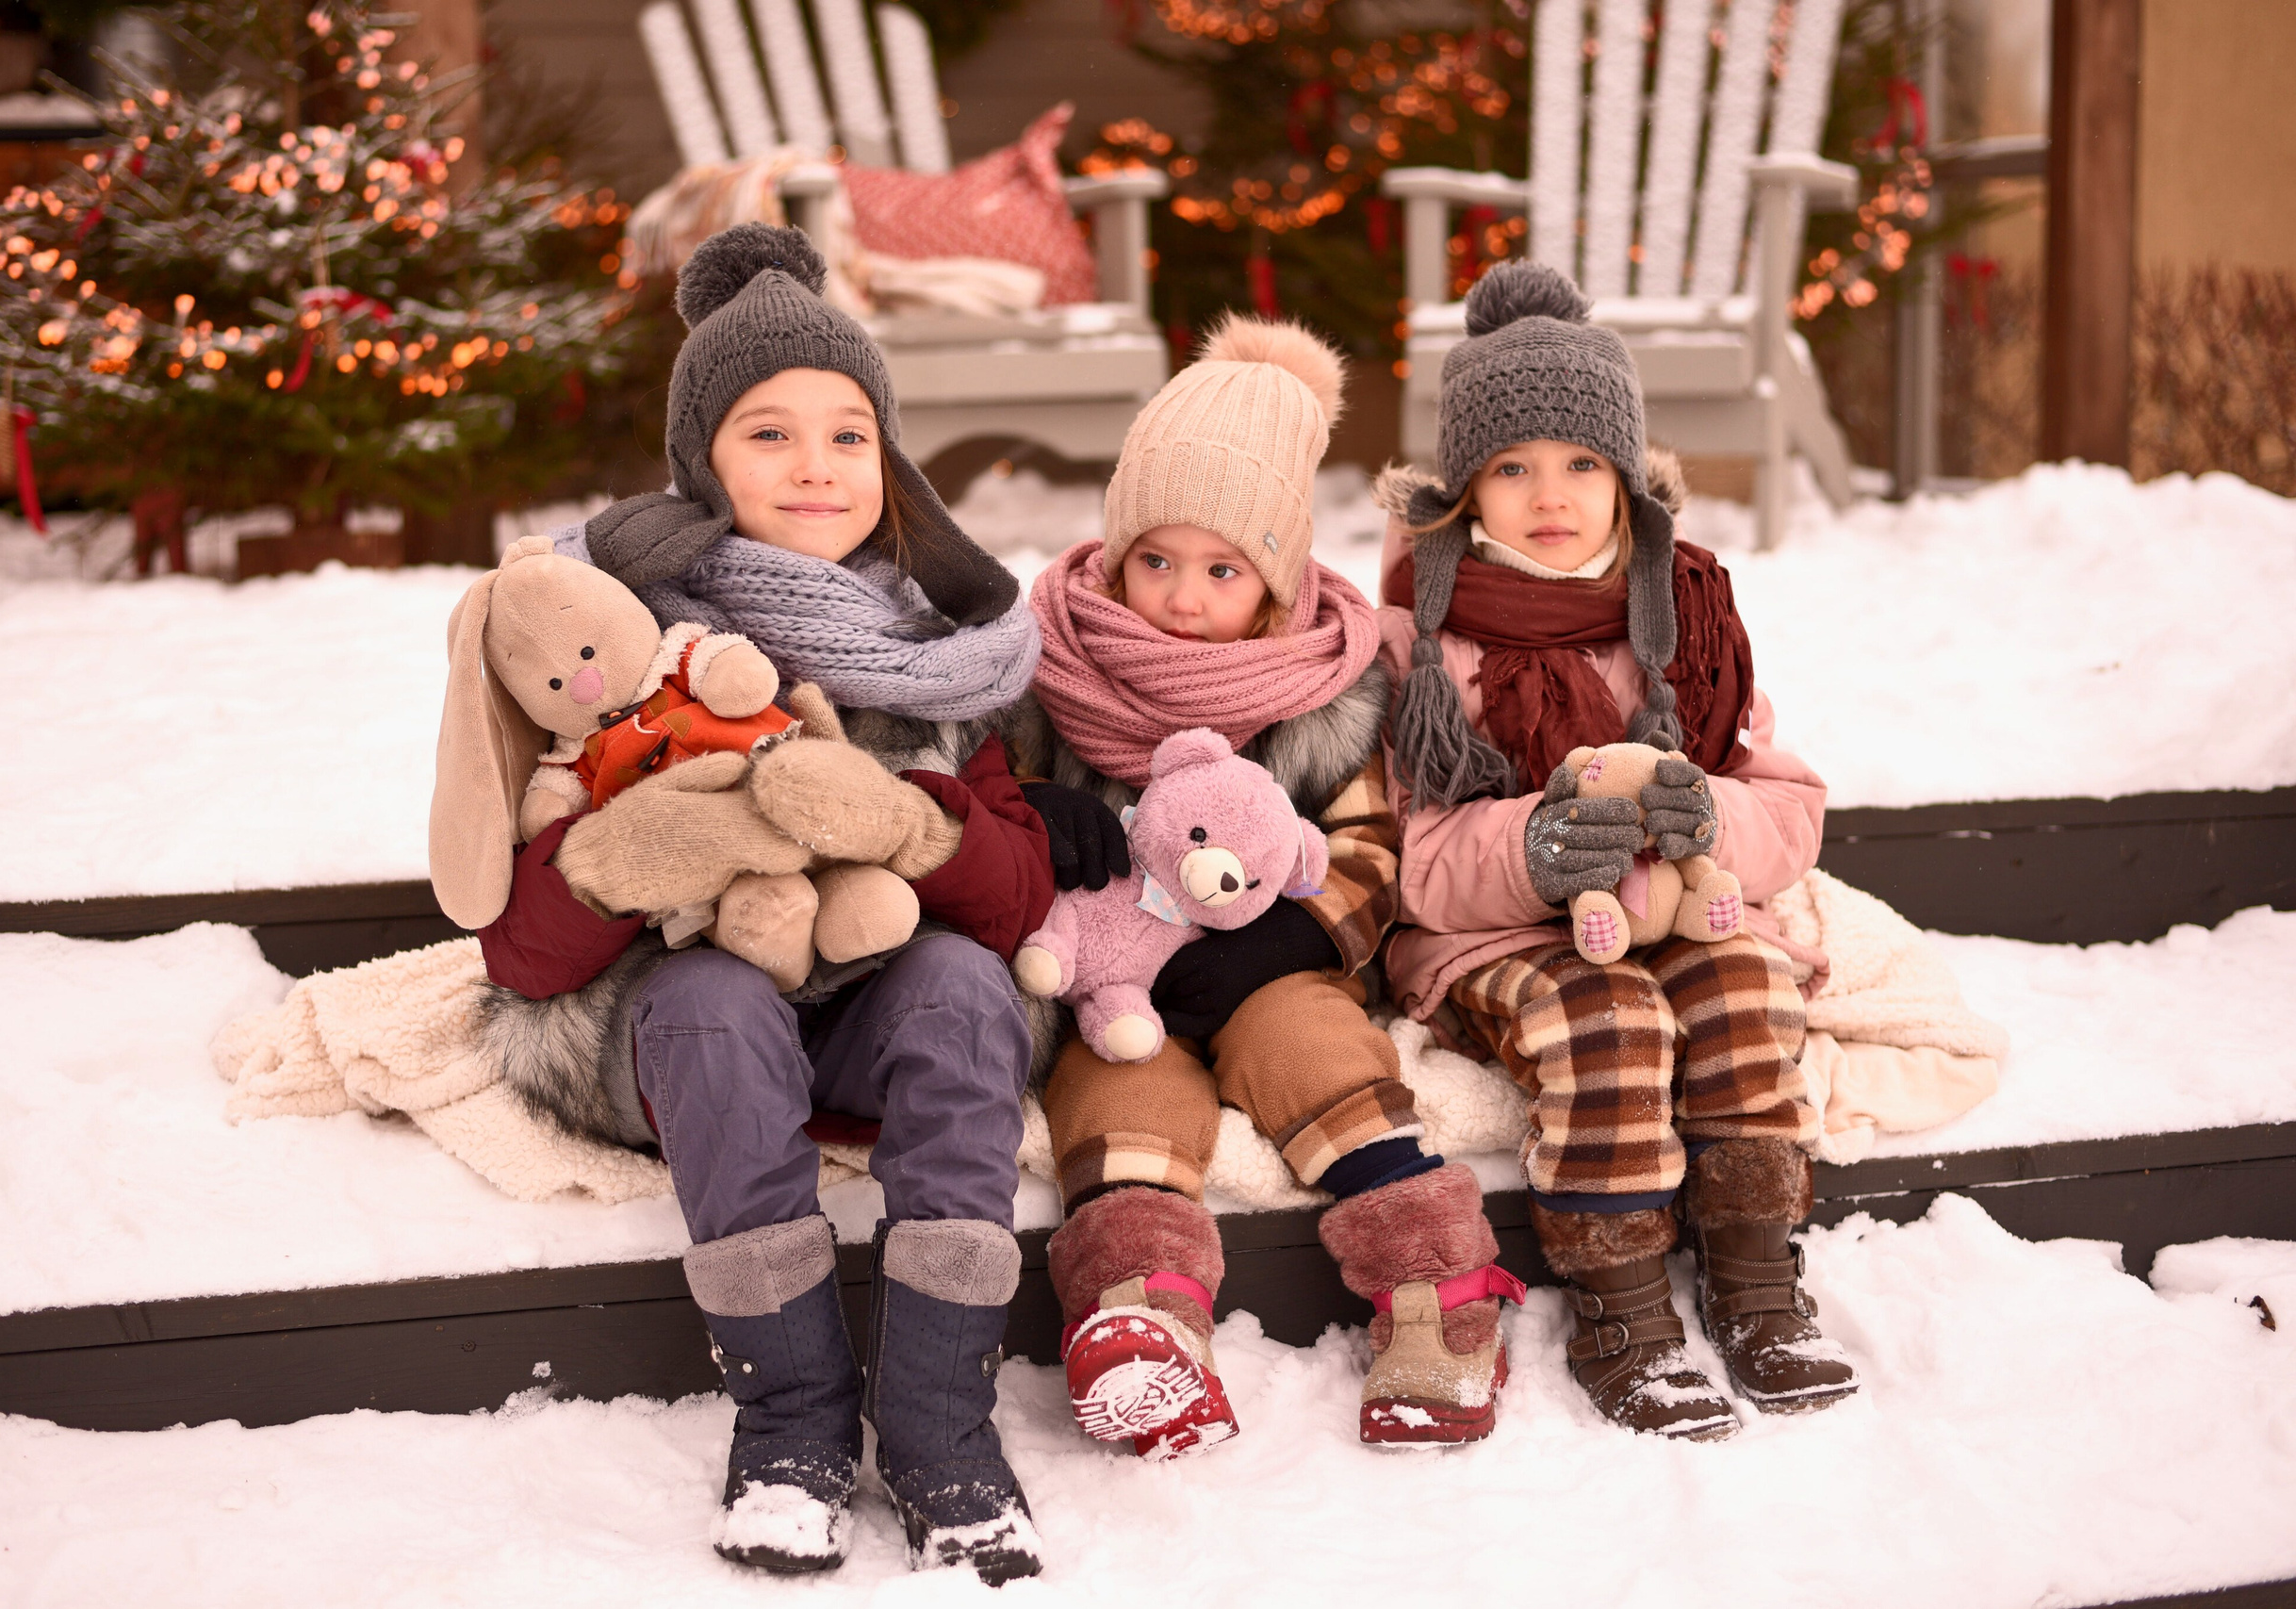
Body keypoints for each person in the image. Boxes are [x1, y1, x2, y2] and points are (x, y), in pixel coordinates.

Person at [457, 224, 1053, 1581]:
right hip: (676, 1025)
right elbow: (525, 944)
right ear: (700, 467)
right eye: (769, 434)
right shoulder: (611, 636)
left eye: (850, 435)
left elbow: (1016, 896)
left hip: (866, 1005)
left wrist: (907, 818)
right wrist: (646, 845)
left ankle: (939, 1419)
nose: (817, 466)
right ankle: (789, 1420)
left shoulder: (938, 653)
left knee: (964, 989)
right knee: (717, 1000)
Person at [1009, 316, 1523, 1456]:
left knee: (1315, 1047)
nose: (1182, 598)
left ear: (1279, 583)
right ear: (1110, 554)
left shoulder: (1324, 694)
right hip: (1116, 985)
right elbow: (994, 809)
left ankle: (1435, 1292)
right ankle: (1142, 1314)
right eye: (1155, 560)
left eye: (1223, 569)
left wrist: (1293, 940)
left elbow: (1370, 851)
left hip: (1264, 959)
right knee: (1112, 1094)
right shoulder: (1049, 667)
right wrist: (1031, 816)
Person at [1374, 260, 1859, 1440]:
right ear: (1463, 490)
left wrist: (1709, 821)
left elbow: (1781, 800)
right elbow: (1416, 859)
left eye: (1583, 463)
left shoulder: (1681, 615)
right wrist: (1538, 847)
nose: (1553, 494)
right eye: (1513, 466)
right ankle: (1624, 1305)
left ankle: (1753, 1275)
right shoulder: (1421, 641)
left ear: (1630, 477)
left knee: (1744, 983)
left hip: (1673, 904)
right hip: (1494, 932)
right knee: (1612, 1016)